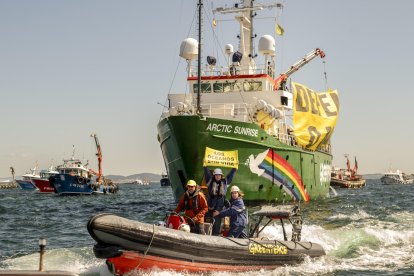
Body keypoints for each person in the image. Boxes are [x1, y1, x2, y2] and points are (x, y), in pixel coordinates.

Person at [204, 166, 237, 235]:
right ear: (214, 175)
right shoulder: (210, 181)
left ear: (221, 176)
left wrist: (234, 169)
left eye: (219, 175)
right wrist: (205, 167)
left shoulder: (225, 182)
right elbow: (207, 174)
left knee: (216, 228)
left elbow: (230, 176)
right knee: (206, 227)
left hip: (218, 211)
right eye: (216, 175)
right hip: (209, 210)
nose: (218, 176)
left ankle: (215, 239)